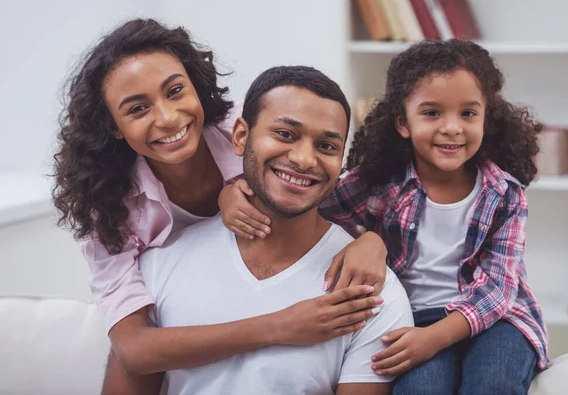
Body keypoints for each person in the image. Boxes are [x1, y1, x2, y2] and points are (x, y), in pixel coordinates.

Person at [52, 18, 388, 376]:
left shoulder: (248, 131)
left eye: (175, 91)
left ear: (195, 86)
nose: (167, 117)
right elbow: (132, 350)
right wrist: (279, 326)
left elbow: (318, 188)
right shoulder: (107, 211)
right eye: (137, 108)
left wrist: (370, 239)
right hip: (186, 315)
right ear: (113, 127)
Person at [102, 65, 414, 395]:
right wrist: (279, 326)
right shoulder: (159, 266)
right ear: (240, 136)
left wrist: (372, 238)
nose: (305, 159)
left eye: (326, 146)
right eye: (285, 134)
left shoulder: (371, 293)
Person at [319, 39, 549, 394]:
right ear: (403, 122)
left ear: (486, 118)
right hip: (415, 317)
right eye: (432, 113)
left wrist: (434, 339)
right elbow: (314, 207)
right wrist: (365, 239)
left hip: (500, 320)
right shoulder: (379, 182)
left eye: (468, 114)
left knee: (492, 384)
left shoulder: (504, 193)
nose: (452, 127)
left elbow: (498, 290)